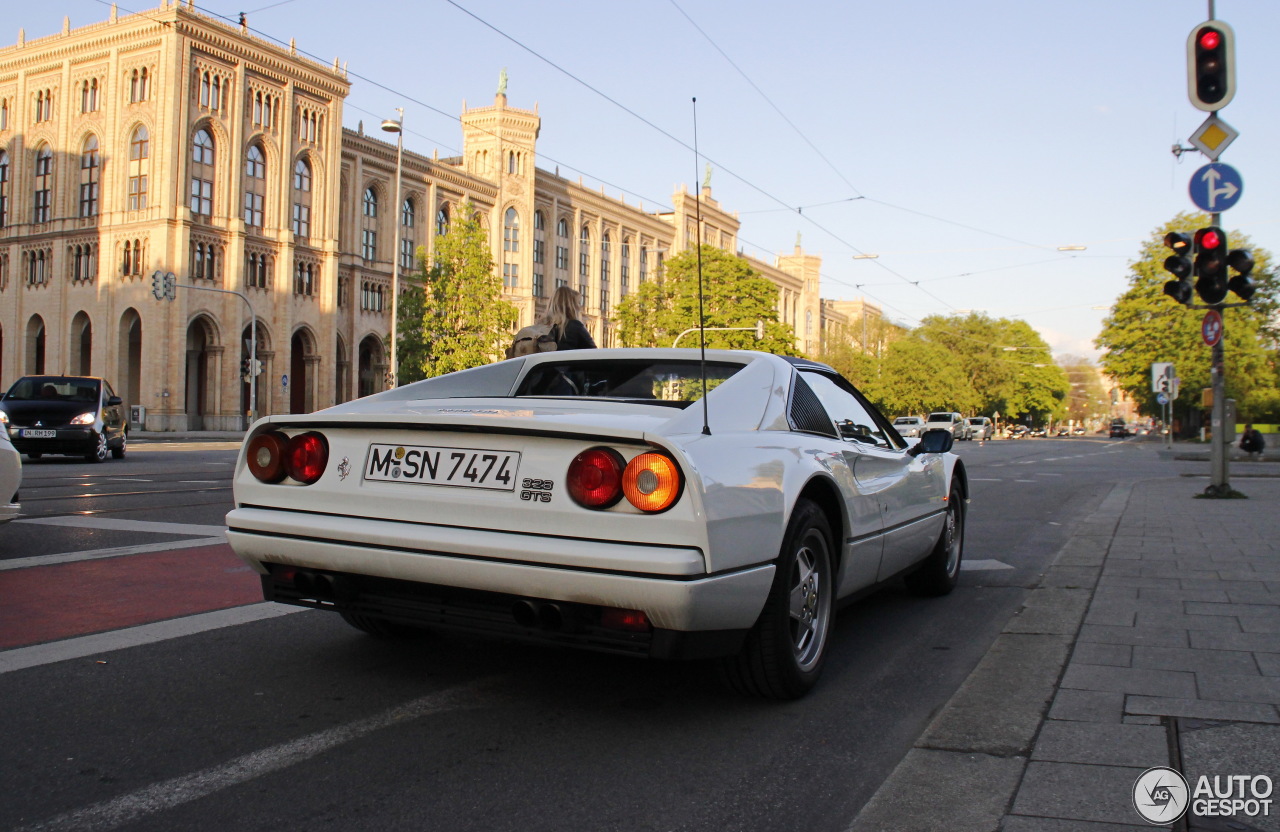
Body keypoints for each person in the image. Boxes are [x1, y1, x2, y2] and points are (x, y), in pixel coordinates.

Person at [541, 285, 596, 351]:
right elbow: (594, 352)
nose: (579, 307)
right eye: (578, 303)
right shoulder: (575, 326)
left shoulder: (541, 325)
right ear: (571, 306)